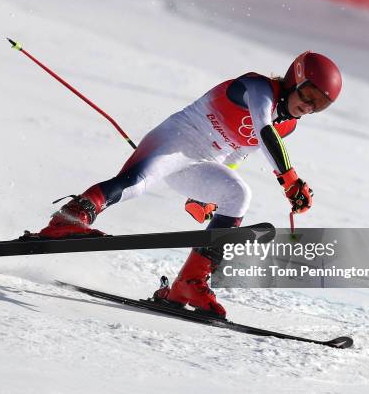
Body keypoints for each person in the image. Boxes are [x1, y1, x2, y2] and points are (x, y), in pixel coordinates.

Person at [35, 51, 342, 318]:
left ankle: (190, 283)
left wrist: (209, 196)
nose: (309, 107)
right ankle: (69, 219)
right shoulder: (259, 88)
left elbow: (236, 152)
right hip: (177, 141)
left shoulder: (286, 125)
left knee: (237, 196)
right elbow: (263, 131)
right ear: (293, 79)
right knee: (137, 183)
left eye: (319, 105)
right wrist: (289, 180)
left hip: (203, 162)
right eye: (307, 95)